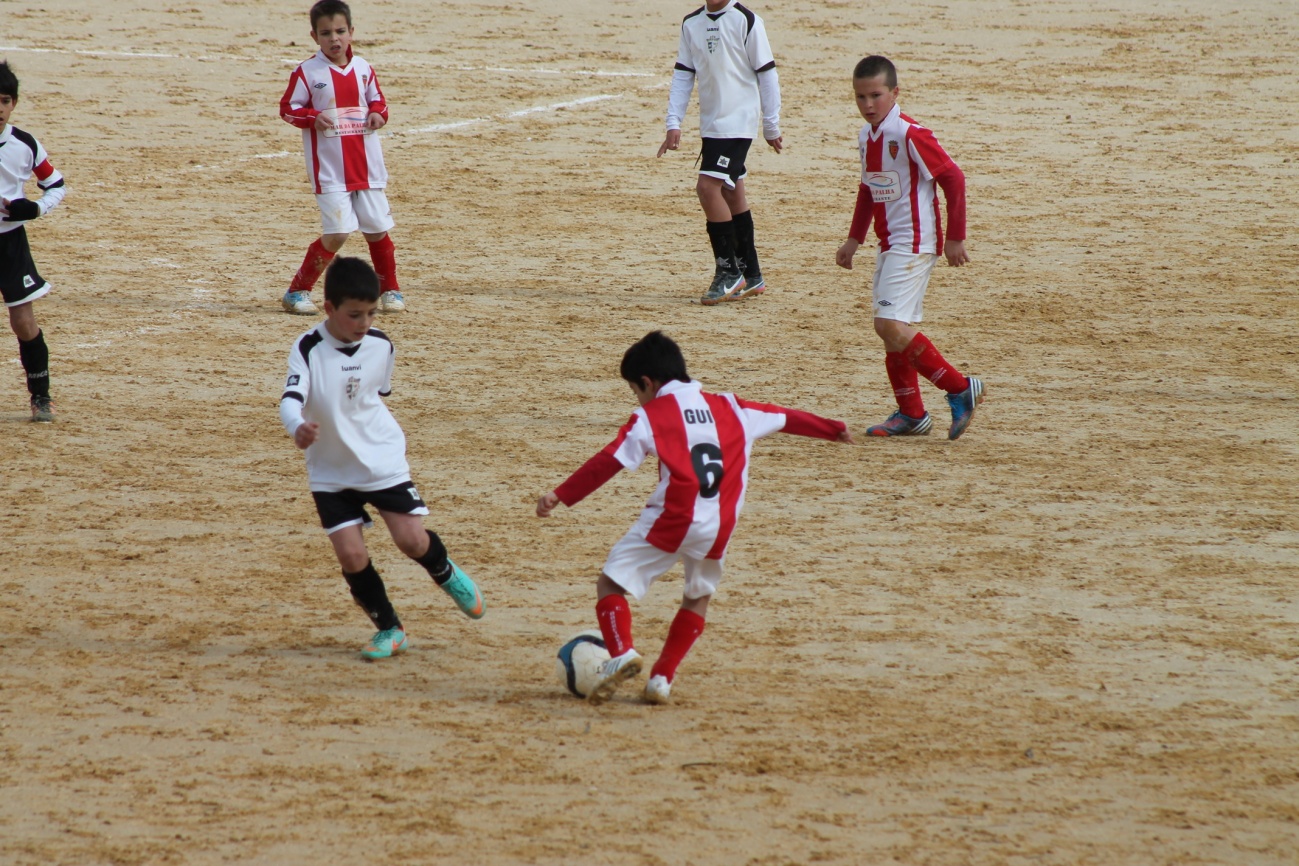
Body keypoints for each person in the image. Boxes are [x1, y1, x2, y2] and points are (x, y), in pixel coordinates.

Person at [536, 331, 854, 705]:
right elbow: (785, 417)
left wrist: (561, 494)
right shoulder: (732, 406)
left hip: (672, 520)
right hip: (718, 526)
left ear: (647, 383)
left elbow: (610, 460)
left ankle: (621, 652)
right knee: (697, 596)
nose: (637, 398)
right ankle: (661, 679)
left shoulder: (650, 416)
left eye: (635, 390)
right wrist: (833, 428)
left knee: (610, 583)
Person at [279, 256, 484, 659]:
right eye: (355, 314)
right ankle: (389, 628)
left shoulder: (382, 344)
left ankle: (444, 571)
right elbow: (290, 399)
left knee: (411, 540)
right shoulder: (308, 348)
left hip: (380, 458)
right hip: (330, 469)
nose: (365, 322)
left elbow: (375, 396)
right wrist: (297, 427)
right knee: (351, 555)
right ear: (329, 308)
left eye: (371, 313)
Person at [835, 55, 985, 440]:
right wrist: (855, 238)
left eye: (876, 95)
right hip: (890, 244)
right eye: (860, 97)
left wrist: (955, 237)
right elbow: (868, 189)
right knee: (891, 329)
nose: (868, 104)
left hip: (915, 242)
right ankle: (912, 414)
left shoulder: (909, 134)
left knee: (887, 324)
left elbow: (953, 178)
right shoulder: (866, 136)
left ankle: (959, 388)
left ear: (895, 92)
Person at [279, 0, 405, 316]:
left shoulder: (363, 68)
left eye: (339, 31)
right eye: (325, 33)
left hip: (367, 168)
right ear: (314, 37)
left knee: (377, 228)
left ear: (351, 32)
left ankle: (390, 290)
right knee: (337, 233)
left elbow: (380, 102)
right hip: (331, 170)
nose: (334, 39)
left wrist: (378, 114)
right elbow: (288, 109)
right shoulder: (308, 72)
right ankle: (297, 292)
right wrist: (312, 117)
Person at [657, 0, 782, 306]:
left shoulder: (747, 21)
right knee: (731, 191)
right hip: (712, 125)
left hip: (738, 124)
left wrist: (771, 125)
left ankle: (728, 272)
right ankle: (751, 274)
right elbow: (684, 74)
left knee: (707, 187)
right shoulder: (691, 23)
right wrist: (673, 122)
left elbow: (767, 74)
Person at [0, 61, 65, 422]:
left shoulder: (24, 144)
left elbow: (56, 185)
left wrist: (35, 208)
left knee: (24, 322)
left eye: (4, 100)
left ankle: (41, 396)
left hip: (10, 244)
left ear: (14, 103)